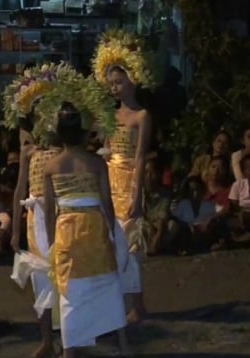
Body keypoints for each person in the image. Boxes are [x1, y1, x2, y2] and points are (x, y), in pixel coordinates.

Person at [43, 101, 128, 358]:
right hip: (93, 226)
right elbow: (107, 203)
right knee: (102, 284)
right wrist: (113, 232)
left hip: (66, 229)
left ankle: (71, 354)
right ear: (82, 132)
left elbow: (48, 210)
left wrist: (51, 244)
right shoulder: (96, 163)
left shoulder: (51, 166)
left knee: (71, 294)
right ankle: (96, 346)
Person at [5, 62, 77, 358]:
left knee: (65, 275)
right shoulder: (28, 151)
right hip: (36, 221)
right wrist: (15, 230)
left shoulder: (65, 150)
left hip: (61, 216)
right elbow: (20, 190)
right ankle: (47, 339)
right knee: (40, 279)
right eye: (37, 112)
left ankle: (70, 340)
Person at [93, 29, 159, 322]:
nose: (115, 89)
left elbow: (142, 156)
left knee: (130, 245)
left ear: (133, 80)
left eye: (119, 82)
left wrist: (136, 194)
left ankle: (137, 304)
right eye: (111, 84)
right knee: (110, 244)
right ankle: (121, 304)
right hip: (109, 181)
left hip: (129, 181)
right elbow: (105, 149)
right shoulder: (110, 115)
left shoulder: (143, 116)